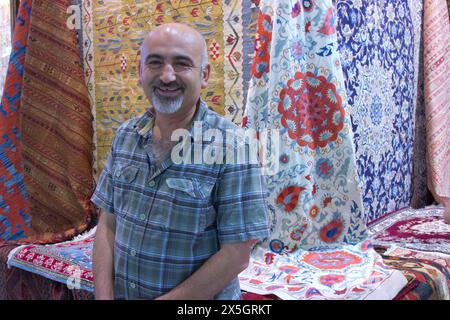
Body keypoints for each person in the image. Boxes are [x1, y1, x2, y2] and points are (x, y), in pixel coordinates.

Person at [91, 23, 270, 300]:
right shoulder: (125, 136)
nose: (167, 76)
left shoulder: (234, 147)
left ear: (205, 75)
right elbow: (107, 224)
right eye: (155, 63)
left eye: (182, 64)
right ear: (140, 72)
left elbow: (236, 255)